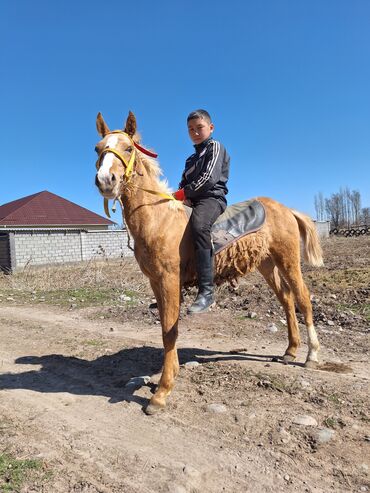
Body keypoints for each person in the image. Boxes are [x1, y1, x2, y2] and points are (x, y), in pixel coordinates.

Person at [173, 109, 230, 314]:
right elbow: (183, 183)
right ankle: (175, 289)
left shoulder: (215, 147)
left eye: (199, 128)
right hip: (192, 200)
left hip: (211, 198)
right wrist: (179, 196)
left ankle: (206, 292)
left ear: (211, 127)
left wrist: (183, 194)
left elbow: (209, 178)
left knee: (199, 225)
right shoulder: (189, 160)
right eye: (191, 129)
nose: (195, 132)